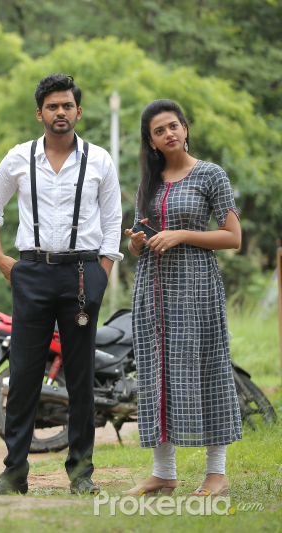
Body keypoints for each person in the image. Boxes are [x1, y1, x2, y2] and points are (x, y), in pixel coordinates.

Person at [0, 74, 123, 495]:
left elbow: (113, 221)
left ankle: (81, 474)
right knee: (23, 375)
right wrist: (1, 257)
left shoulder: (99, 160)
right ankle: (14, 473)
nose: (61, 112)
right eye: (53, 106)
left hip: (82, 274)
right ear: (39, 113)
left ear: (78, 111)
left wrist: (103, 273)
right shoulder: (19, 157)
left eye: (68, 105)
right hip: (33, 272)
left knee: (79, 377)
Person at [124, 99, 242, 497]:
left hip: (196, 288)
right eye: (159, 131)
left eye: (173, 126)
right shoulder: (149, 181)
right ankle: (164, 473)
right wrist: (138, 242)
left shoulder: (211, 175)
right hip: (153, 289)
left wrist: (182, 234)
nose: (168, 134)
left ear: (185, 128)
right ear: (152, 142)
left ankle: (216, 473)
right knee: (157, 373)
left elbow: (233, 237)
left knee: (207, 368)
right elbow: (142, 244)